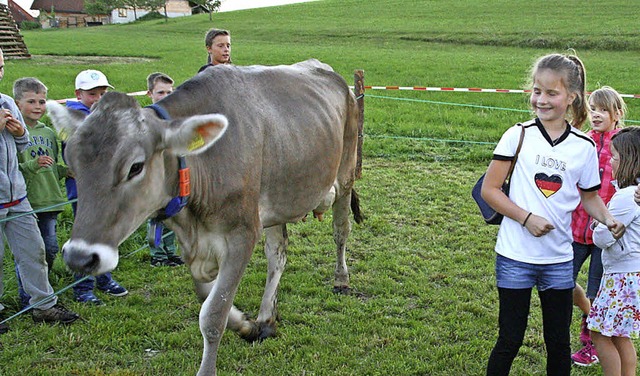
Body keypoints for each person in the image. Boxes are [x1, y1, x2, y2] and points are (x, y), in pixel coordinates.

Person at [481, 52, 625, 376]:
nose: (541, 100)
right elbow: (490, 190)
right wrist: (525, 218)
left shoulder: (583, 147)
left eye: (551, 93)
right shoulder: (517, 134)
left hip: (558, 260)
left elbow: (589, 199)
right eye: (536, 91)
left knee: (558, 343)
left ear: (571, 96)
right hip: (514, 256)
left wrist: (609, 219)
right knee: (510, 339)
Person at [0, 49, 79, 332]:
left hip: (17, 196)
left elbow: (22, 145)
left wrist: (21, 134)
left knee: (34, 250)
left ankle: (43, 305)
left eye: (1, 66)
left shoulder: (7, 101)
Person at [570, 86, 627, 366]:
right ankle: (588, 312)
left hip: (606, 237)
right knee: (561, 282)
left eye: (603, 110)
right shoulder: (582, 141)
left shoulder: (626, 144)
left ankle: (588, 343)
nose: (596, 114)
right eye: (592, 109)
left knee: (596, 290)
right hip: (575, 229)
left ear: (617, 114)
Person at [65, 69, 128, 305]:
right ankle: (83, 288)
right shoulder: (74, 118)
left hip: (104, 192)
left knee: (104, 234)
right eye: (92, 94)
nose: (98, 100)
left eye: (102, 94)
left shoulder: (103, 117)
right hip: (84, 195)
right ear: (78, 94)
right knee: (87, 238)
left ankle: (103, 278)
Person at [13, 77, 69, 308]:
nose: (38, 106)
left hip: (50, 199)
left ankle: (42, 288)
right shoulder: (12, 132)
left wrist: (68, 172)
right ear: (16, 104)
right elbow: (11, 169)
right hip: (27, 200)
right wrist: (33, 165)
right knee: (27, 252)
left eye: (42, 101)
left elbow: (52, 166)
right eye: (31, 101)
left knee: (49, 247)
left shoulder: (48, 133)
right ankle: (27, 295)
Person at [588, 126, 640, 376]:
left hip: (621, 276)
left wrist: (598, 223)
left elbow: (601, 238)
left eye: (615, 156)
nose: (611, 161)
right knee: (620, 334)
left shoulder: (625, 198)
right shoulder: (633, 195)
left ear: (629, 160)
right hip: (629, 274)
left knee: (599, 333)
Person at [145, 72, 184, 267]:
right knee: (156, 216)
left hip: (171, 175)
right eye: (160, 92)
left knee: (171, 212)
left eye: (169, 91)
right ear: (149, 93)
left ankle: (170, 251)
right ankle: (157, 255)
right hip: (154, 177)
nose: (166, 96)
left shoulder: (172, 117)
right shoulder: (147, 118)